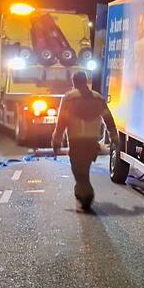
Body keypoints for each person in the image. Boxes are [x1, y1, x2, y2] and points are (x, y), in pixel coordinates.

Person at [52, 70, 117, 212]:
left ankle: (86, 196)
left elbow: (61, 122)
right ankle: (84, 195)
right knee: (84, 170)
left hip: (76, 141)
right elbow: (108, 119)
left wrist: (57, 140)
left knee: (79, 172)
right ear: (86, 81)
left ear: (73, 82)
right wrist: (114, 136)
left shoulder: (68, 98)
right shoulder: (98, 98)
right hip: (91, 142)